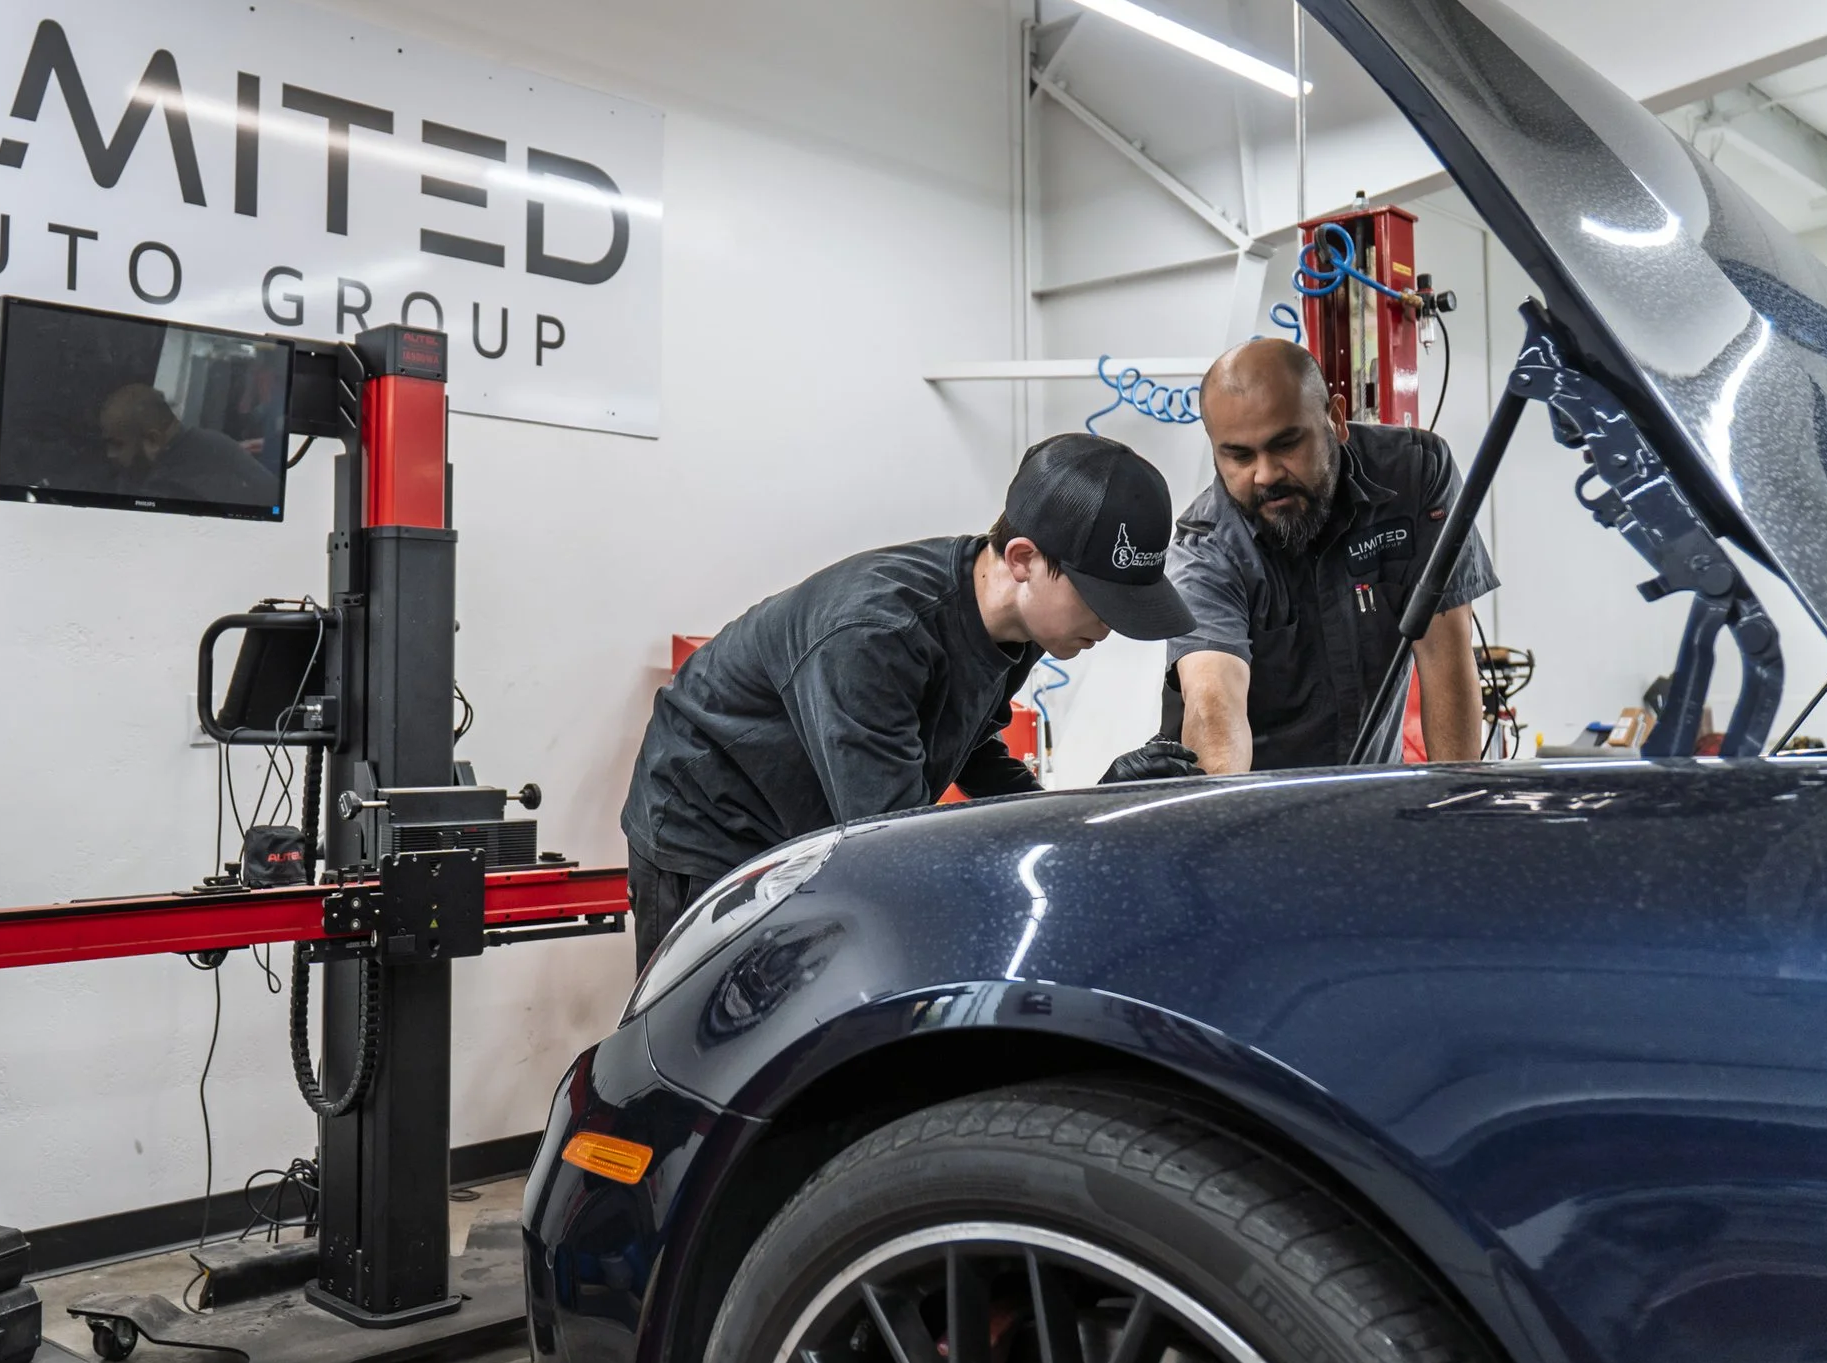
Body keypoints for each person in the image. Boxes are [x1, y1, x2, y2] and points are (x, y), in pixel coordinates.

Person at [620, 434, 1202, 969]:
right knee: (704, 1039)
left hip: (805, 821)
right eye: (1100, 599)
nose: (1110, 624)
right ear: (1023, 560)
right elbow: (895, 848)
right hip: (708, 824)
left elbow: (975, 755)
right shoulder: (877, 636)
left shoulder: (1013, 629)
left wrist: (1082, 810)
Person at [1161, 339, 1493, 772]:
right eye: (1238, 455)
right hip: (1257, 815)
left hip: (1370, 801)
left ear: (1335, 419)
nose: (1265, 474)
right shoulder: (1205, 550)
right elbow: (1214, 707)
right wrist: (1228, 821)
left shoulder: (1414, 476)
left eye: (1285, 444)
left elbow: (1445, 653)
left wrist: (1459, 805)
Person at [97, 382, 283, 507]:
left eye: (117, 445)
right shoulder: (210, 443)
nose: (109, 455)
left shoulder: (172, 488)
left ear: (153, 440)